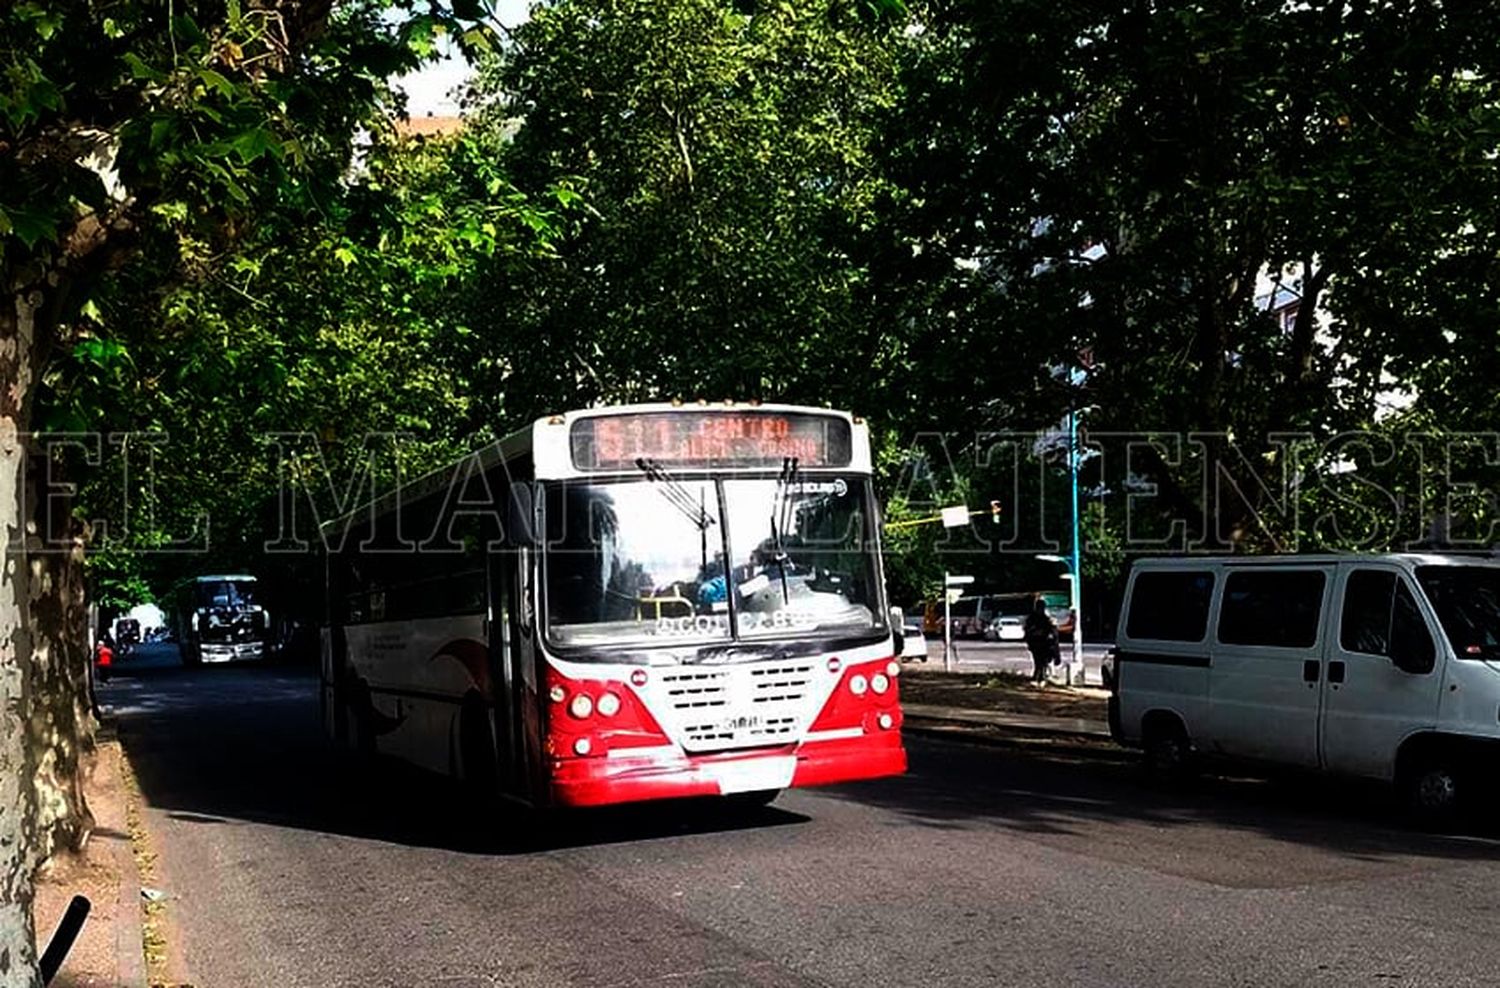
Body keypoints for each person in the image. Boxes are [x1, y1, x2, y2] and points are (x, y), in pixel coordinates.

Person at [1022, 595, 1059, 685]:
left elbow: (1053, 633)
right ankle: (1040, 677)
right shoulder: (1037, 619)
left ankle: (1040, 677)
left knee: (1041, 662)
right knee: (1039, 661)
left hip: (1043, 643)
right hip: (1037, 643)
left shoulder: (1043, 619)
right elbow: (1027, 631)